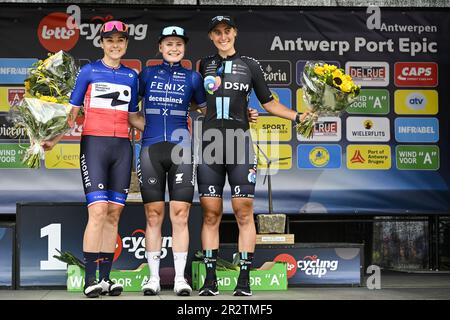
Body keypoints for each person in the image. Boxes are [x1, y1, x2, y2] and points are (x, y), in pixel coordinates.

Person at [134, 26, 258, 296]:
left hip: (183, 151)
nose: (174, 48)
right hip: (150, 150)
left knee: (181, 215)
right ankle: (152, 279)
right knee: (153, 216)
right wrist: (153, 131)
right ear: (160, 46)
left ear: (184, 47)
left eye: (179, 44)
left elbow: (208, 109)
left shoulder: (193, 77)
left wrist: (242, 110)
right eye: (169, 43)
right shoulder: (145, 75)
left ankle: (180, 279)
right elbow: (131, 112)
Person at [197, 15, 309, 296]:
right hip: (210, 145)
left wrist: (298, 116)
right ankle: (210, 281)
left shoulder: (251, 65)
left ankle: (243, 280)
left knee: (243, 212)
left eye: (227, 31)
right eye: (217, 32)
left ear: (234, 33)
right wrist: (234, 111)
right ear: (211, 36)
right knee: (210, 215)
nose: (223, 36)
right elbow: (199, 105)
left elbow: (270, 103)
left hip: (240, 146)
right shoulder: (203, 65)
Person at [42, 20, 141, 298]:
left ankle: (106, 279)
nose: (115, 44)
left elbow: (134, 118)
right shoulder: (89, 71)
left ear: (126, 44)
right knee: (97, 212)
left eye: (120, 40)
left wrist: (168, 127)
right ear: (101, 43)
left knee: (114, 214)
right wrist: (54, 139)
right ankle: (90, 280)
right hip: (94, 146)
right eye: (110, 40)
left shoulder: (132, 76)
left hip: (122, 148)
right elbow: (72, 114)